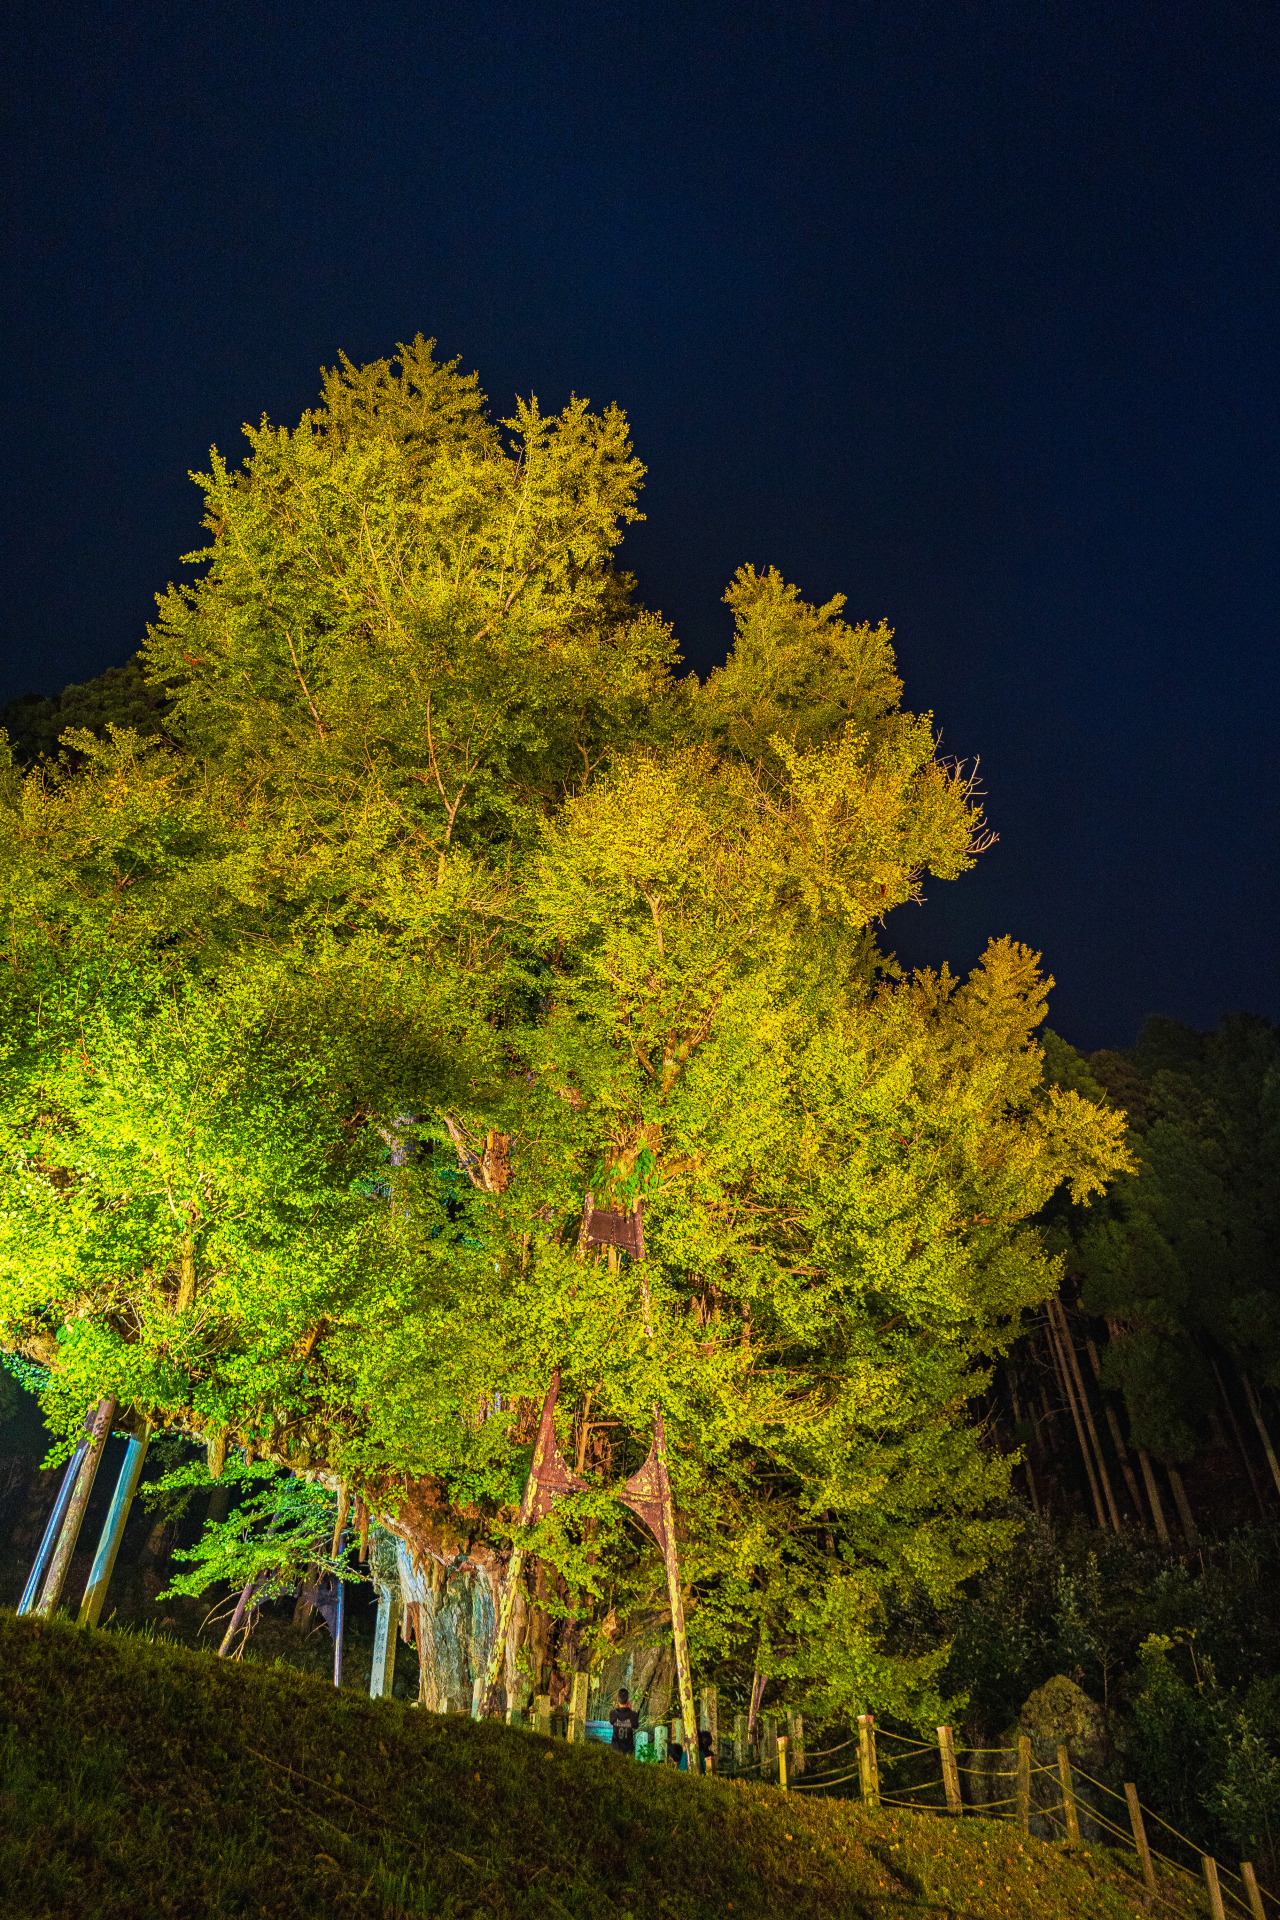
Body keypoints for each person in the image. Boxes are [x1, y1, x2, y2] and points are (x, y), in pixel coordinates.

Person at [609, 1687, 641, 1757]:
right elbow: (636, 1726)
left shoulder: (613, 1713)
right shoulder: (633, 1715)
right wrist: (630, 1710)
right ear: (628, 1700)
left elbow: (611, 1722)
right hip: (628, 1749)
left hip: (616, 1748)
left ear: (618, 1700)